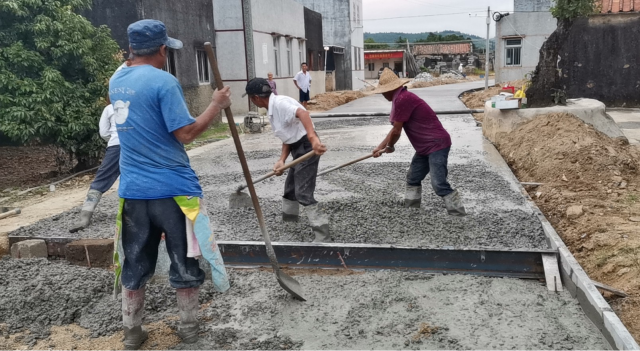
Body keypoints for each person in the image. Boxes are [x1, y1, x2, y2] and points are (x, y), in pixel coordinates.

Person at [109, 19, 232, 349]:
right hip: (174, 192)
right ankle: (189, 328)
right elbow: (186, 133)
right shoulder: (164, 82)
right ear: (162, 49)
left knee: (134, 260)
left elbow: (130, 68)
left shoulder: (116, 80)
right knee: (184, 258)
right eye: (167, 50)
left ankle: (132, 332)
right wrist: (216, 105)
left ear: (132, 50)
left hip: (133, 191)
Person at [243, 78, 330, 242]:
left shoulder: (280, 104)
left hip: (307, 146)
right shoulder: (272, 108)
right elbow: (288, 136)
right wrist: (281, 160)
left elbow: (303, 113)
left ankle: (322, 235)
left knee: (303, 193)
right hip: (297, 146)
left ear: (255, 98)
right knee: (290, 189)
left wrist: (313, 139)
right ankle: (290, 224)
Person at [372, 68, 466, 216]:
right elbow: (394, 129)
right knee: (413, 177)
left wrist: (390, 146)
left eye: (384, 91)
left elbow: (397, 131)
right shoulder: (399, 98)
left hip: (436, 144)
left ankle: (458, 214)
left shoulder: (403, 99)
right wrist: (379, 147)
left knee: (439, 184)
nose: (383, 95)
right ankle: (411, 210)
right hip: (424, 147)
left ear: (391, 89)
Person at [69, 56, 134, 233]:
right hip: (136, 144)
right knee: (136, 176)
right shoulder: (135, 101)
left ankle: (85, 217)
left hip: (115, 146)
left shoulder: (109, 108)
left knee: (101, 179)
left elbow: (104, 132)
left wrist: (113, 141)